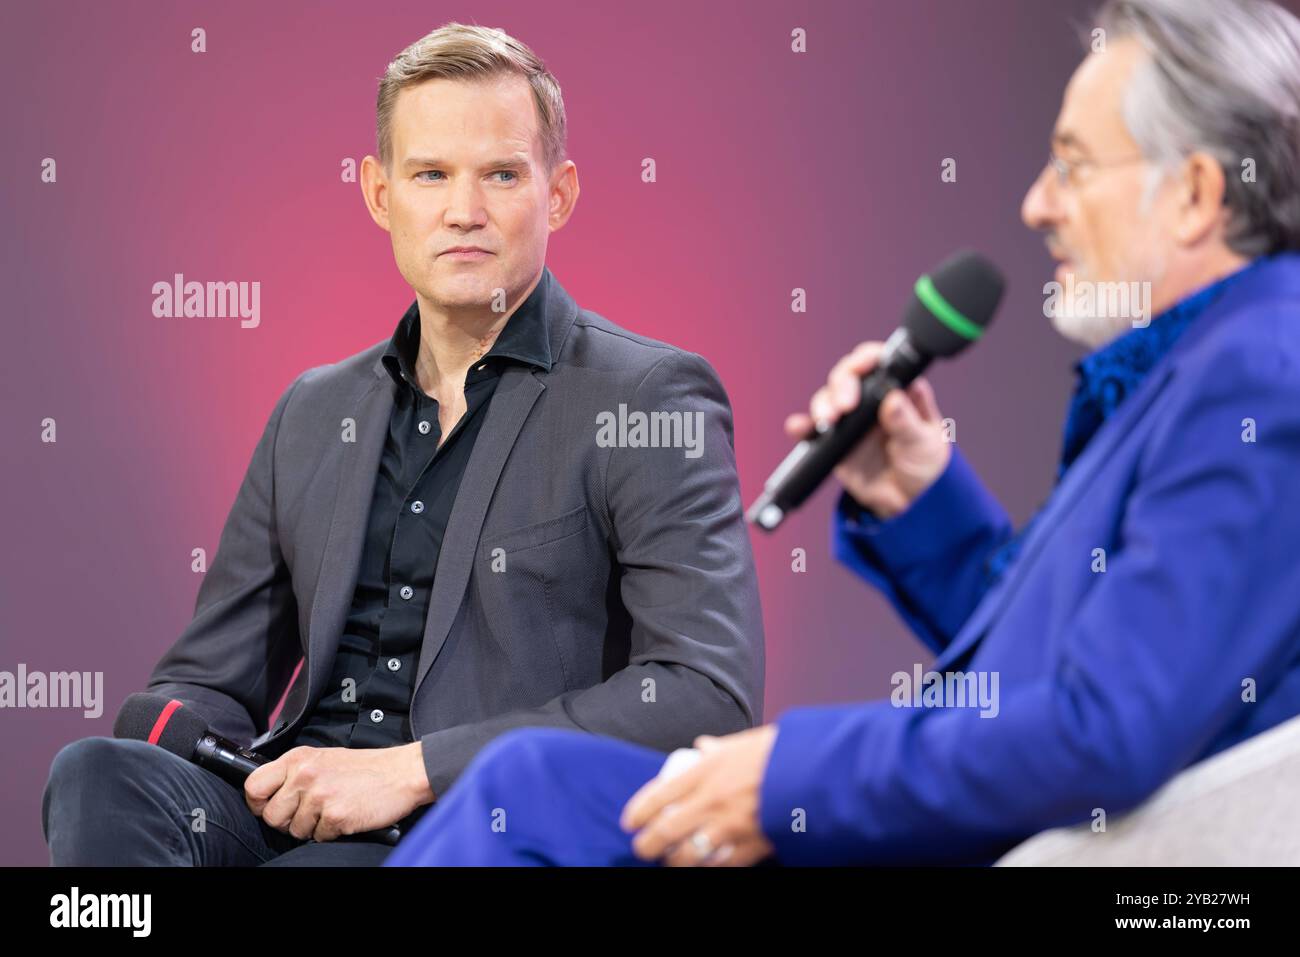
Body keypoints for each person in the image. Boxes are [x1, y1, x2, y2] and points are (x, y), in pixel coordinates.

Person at [382, 0, 1300, 867]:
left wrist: (786, 777)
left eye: (1074, 165)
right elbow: (1064, 661)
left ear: (1194, 195)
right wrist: (923, 500)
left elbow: (1105, 729)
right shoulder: (1202, 366)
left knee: (530, 792)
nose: (1037, 204)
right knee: (531, 781)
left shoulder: (1255, 375)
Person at [41, 22, 764, 866]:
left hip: (481, 833)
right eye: (430, 175)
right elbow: (206, 685)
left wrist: (415, 769)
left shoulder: (647, 395)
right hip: (296, 812)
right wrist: (203, 745)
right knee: (98, 773)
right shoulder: (312, 412)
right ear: (380, 194)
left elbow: (705, 696)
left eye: (501, 173)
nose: (465, 211)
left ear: (558, 193)